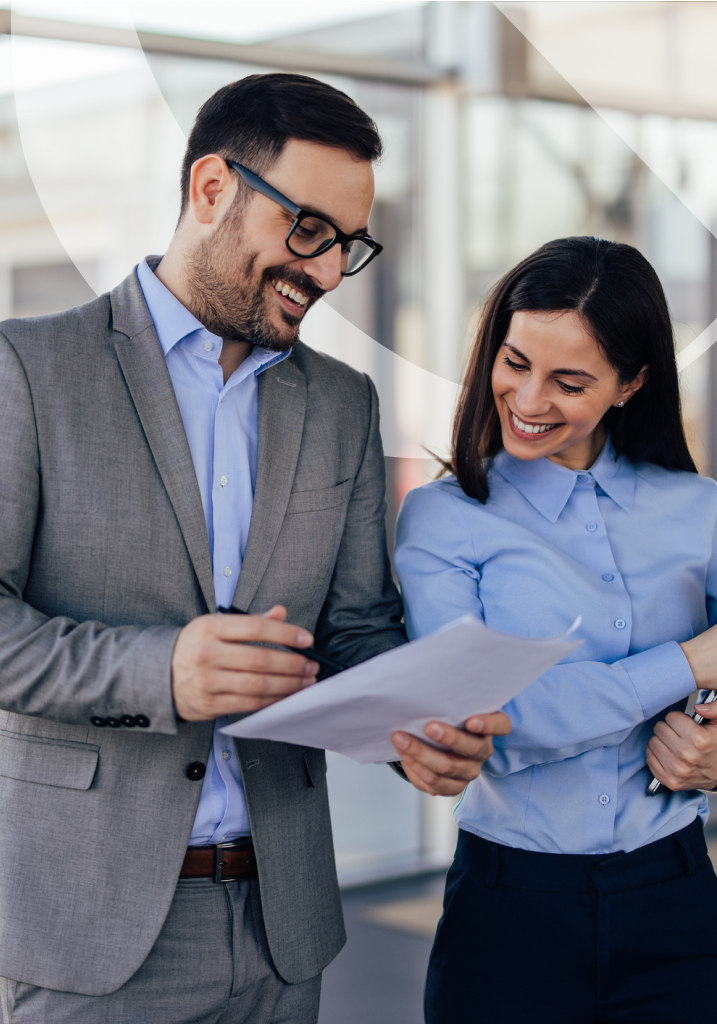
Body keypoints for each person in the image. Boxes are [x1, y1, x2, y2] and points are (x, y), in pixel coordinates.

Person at [0, 73, 508, 1023]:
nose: (323, 271)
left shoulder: (342, 402)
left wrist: (418, 729)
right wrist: (161, 672)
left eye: (347, 245)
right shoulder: (26, 370)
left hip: (284, 926)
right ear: (209, 189)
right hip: (87, 927)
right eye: (307, 229)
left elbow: (355, 628)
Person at [394, 236, 717, 1024]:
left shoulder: (700, 510)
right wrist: (689, 660)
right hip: (508, 915)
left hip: (677, 902)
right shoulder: (442, 520)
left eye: (569, 382)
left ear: (630, 384)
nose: (529, 400)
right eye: (514, 363)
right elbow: (495, 725)